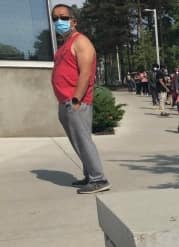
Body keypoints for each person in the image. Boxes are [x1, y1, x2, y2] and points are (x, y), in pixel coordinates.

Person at [51, 3, 110, 194]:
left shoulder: (81, 42)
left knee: (83, 140)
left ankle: (98, 179)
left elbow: (86, 74)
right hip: (65, 101)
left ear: (73, 21)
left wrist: (76, 100)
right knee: (78, 142)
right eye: (54, 19)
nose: (58, 22)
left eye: (63, 18)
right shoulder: (64, 46)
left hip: (76, 101)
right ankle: (89, 175)